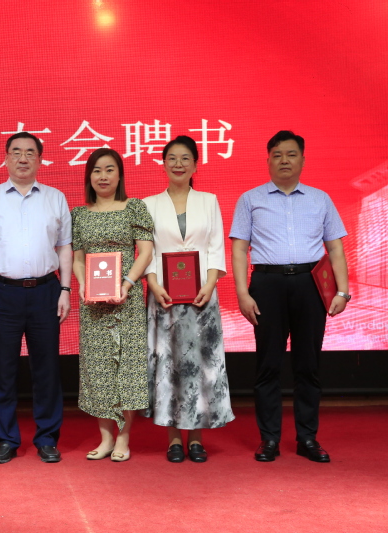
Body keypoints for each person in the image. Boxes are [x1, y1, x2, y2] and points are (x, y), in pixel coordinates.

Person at [230, 130, 350, 463]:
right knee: (267, 365)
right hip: (266, 285)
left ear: (303, 160)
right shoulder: (250, 199)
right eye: (278, 154)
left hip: (310, 285)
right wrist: (242, 292)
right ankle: (269, 438)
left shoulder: (320, 199)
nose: (284, 160)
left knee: (308, 365)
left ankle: (307, 438)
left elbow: (335, 248)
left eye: (291, 154)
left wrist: (342, 290)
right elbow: (239, 249)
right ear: (268, 160)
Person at [0, 132, 72, 463]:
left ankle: (47, 438)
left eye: (30, 152)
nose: (23, 158)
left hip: (46, 291)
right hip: (1, 293)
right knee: (2, 370)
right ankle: (5, 439)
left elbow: (65, 247)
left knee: (47, 369)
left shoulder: (55, 198)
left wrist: (65, 289)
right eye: (16, 152)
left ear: (40, 159)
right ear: (5, 158)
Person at [143, 136, 234, 463]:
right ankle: (173, 440)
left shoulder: (208, 201)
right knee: (169, 366)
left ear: (196, 164)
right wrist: (153, 283)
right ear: (163, 164)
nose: (178, 164)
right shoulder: (149, 204)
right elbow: (147, 251)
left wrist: (209, 284)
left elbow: (215, 247)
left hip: (201, 297)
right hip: (164, 298)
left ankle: (196, 438)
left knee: (200, 366)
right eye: (172, 158)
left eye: (185, 158)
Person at [72, 148, 153, 462]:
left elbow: (145, 252)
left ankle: (123, 438)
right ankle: (105, 438)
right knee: (98, 370)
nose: (103, 176)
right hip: (93, 305)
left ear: (119, 175)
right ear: (89, 176)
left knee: (127, 369)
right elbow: (79, 259)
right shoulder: (79, 214)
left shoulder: (135, 207)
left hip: (126, 301)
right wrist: (83, 284)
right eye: (96, 170)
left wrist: (127, 284)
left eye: (109, 170)